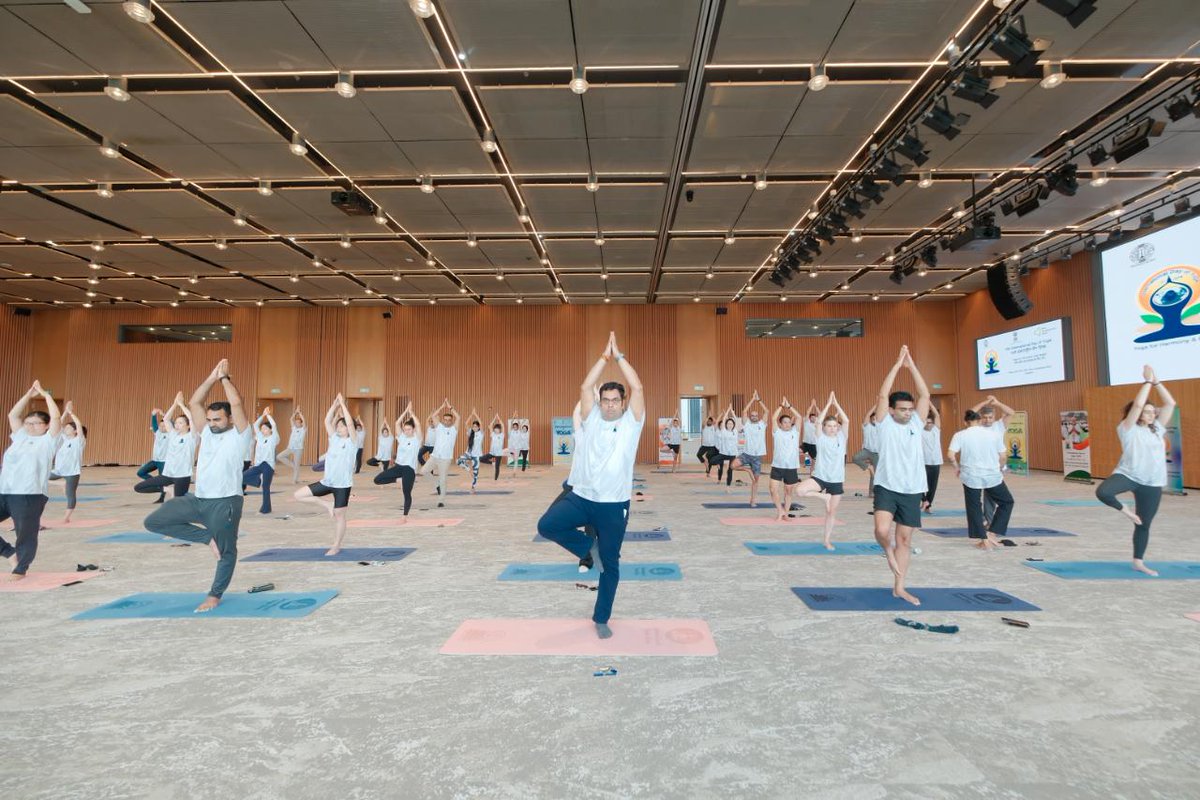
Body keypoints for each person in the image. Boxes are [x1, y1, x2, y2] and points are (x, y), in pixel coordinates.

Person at [537, 331, 645, 639]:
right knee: (547, 525)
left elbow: (637, 386)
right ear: (600, 402)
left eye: (615, 401)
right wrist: (603, 357)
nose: (610, 405)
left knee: (611, 565)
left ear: (623, 403)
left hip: (614, 505)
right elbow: (585, 386)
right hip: (582, 498)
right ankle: (589, 548)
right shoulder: (591, 416)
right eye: (606, 400)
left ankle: (601, 618)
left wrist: (619, 356)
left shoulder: (632, 422)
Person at [144, 359, 251, 612]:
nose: (212, 423)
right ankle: (206, 538)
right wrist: (212, 376)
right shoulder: (205, 432)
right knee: (154, 522)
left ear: (230, 419)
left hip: (225, 502)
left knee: (227, 552)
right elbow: (194, 403)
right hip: (198, 499)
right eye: (210, 419)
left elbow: (236, 403)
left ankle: (215, 595)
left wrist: (224, 379)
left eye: (218, 419)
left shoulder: (241, 435)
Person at [1095, 365, 1176, 576]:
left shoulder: (1157, 429)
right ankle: (1126, 511)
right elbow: (1139, 404)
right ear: (1138, 415)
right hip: (1129, 475)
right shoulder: (1127, 428)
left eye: (1153, 412)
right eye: (1147, 412)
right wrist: (1147, 382)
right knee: (1103, 492)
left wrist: (1157, 381)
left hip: (1152, 482)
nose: (1151, 414)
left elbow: (1170, 403)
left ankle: (1138, 562)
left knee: (1144, 524)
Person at [870, 346, 932, 606]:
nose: (907, 412)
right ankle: (887, 551)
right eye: (903, 409)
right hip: (886, 486)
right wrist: (897, 365)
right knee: (883, 531)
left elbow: (925, 394)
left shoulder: (917, 423)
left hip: (912, 488)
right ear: (893, 410)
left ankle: (899, 586)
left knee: (904, 539)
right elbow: (883, 394)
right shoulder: (884, 423)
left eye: (910, 409)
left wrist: (912, 365)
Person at [1, 381, 61, 580]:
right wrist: (28, 394)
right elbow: (12, 415)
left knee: (25, 534)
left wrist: (45, 394)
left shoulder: (48, 440)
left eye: (36, 423)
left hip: (29, 494)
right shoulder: (20, 437)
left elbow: (55, 416)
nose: (30, 426)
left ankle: (21, 569)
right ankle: (9, 554)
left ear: (45, 426)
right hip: (5, 491)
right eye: (28, 423)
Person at [293, 394, 355, 555]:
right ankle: (327, 504)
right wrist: (334, 406)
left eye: (343, 426)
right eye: (339, 426)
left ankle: (336, 545)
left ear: (349, 429)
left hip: (342, 485)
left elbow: (349, 421)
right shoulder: (333, 438)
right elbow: (327, 421)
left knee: (340, 515)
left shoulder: (352, 442)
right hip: (327, 482)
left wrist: (343, 405)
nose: (340, 428)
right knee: (299, 495)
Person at [948, 410, 1013, 550]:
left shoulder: (960, 435)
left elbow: (951, 455)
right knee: (1007, 502)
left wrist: (956, 467)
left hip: (970, 475)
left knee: (974, 507)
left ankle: (983, 539)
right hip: (992, 475)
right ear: (979, 421)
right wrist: (1001, 468)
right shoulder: (994, 434)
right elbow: (1003, 456)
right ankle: (993, 532)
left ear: (966, 422)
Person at [794, 392, 849, 550]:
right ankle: (823, 497)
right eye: (829, 426)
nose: (832, 428)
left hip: (837, 480)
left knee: (831, 512)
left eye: (834, 426)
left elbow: (846, 420)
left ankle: (826, 540)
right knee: (800, 490)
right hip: (820, 477)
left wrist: (836, 403)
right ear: (824, 427)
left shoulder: (842, 438)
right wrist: (827, 405)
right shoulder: (820, 438)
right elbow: (818, 422)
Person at [135, 393, 197, 502]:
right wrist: (174, 404)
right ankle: (167, 489)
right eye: (176, 423)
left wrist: (181, 405)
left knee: (179, 504)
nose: (177, 425)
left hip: (182, 476)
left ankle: (193, 501)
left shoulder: (192, 437)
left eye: (180, 423)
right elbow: (166, 419)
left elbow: (191, 418)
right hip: (168, 474)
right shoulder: (173, 434)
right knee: (139, 487)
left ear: (188, 426)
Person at [971, 395, 1015, 524]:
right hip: (977, 465)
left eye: (990, 417)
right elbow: (971, 412)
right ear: (980, 417)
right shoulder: (976, 426)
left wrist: (997, 403)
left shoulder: (999, 426)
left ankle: (989, 520)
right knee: (975, 494)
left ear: (994, 417)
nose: (987, 420)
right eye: (984, 417)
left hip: (994, 466)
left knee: (990, 495)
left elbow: (1011, 412)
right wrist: (985, 402)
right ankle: (980, 519)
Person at [375, 402, 420, 523]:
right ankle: (397, 479)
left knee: (406, 493)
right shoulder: (402, 437)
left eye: (409, 429)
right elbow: (396, 423)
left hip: (409, 469)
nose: (406, 431)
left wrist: (412, 414)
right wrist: (405, 411)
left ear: (413, 429)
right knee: (377, 480)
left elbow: (419, 424)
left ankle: (404, 517)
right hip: (398, 467)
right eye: (405, 429)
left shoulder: (417, 439)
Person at [50, 401, 85, 523]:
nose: (66, 429)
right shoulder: (63, 439)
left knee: (70, 495)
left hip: (72, 472)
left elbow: (78, 424)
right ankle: (60, 484)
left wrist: (71, 413)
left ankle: (66, 517)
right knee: (40, 476)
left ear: (75, 431)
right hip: (59, 470)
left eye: (69, 428)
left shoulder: (79, 441)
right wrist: (65, 412)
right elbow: (58, 424)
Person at [767, 397, 802, 522]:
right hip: (777, 466)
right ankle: (779, 510)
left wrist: (790, 406)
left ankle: (785, 514)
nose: (787, 424)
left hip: (791, 467)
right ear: (780, 424)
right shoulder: (777, 432)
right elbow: (773, 418)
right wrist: (781, 406)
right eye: (785, 422)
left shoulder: (795, 432)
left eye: (788, 422)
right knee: (772, 489)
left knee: (788, 492)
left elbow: (799, 417)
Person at [732, 392, 769, 506]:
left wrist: (759, 400)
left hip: (757, 457)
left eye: (755, 415)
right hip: (746, 454)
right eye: (752, 415)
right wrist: (752, 399)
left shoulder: (762, 425)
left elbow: (767, 411)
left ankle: (753, 500)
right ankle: (748, 470)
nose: (754, 417)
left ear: (758, 417)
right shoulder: (746, 424)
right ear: (750, 417)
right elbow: (744, 411)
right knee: (733, 466)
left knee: (755, 481)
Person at [421, 399, 460, 507]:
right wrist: (443, 406)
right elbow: (434, 416)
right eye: (445, 419)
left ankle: (441, 500)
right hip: (434, 456)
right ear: (442, 420)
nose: (447, 421)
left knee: (443, 479)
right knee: (423, 471)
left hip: (445, 459)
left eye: (449, 420)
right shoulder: (439, 427)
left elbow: (459, 417)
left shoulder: (454, 430)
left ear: (451, 421)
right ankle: (436, 484)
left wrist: (450, 408)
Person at [241, 407, 279, 515]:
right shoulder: (260, 437)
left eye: (265, 428)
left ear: (270, 430)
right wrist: (262, 415)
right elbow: (255, 425)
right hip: (258, 464)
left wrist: (268, 415)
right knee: (242, 476)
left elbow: (275, 425)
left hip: (268, 465)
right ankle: (257, 481)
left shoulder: (273, 438)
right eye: (262, 429)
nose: (263, 430)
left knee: (265, 487)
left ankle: (266, 509)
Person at [137, 405, 172, 503]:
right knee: (140, 473)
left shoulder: (171, 434)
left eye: (164, 425)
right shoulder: (157, 432)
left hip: (164, 462)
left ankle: (162, 498)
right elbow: (154, 424)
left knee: (163, 480)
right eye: (160, 426)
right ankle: (156, 484)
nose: (161, 427)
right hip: (155, 460)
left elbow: (170, 422)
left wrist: (164, 415)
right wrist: (153, 415)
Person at [851, 410, 879, 497]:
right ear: (870, 419)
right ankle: (868, 467)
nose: (874, 420)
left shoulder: (881, 427)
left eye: (876, 418)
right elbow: (867, 415)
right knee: (855, 458)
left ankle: (871, 493)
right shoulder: (867, 426)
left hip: (877, 454)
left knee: (874, 474)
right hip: (867, 451)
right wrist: (876, 405)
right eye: (873, 418)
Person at [275, 409, 306, 484]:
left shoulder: (303, 429)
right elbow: (290, 419)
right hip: (290, 448)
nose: (296, 424)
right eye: (296, 422)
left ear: (301, 423)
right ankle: (293, 465)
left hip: (298, 449)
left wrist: (300, 413)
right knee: (279, 456)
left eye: (298, 422)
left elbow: (304, 421)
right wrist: (295, 413)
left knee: (297, 465)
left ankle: (295, 480)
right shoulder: (294, 428)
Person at [921, 405, 943, 511]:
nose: (928, 425)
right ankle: (924, 500)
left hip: (936, 462)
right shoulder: (920, 431)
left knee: (932, 486)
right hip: (923, 462)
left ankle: (928, 505)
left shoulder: (935, 430)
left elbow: (937, 415)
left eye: (930, 422)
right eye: (927, 422)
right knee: (920, 484)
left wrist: (929, 403)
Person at [714, 407, 740, 488]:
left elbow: (736, 421)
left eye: (731, 424)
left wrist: (732, 412)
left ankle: (728, 486)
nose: (730, 425)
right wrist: (727, 412)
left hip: (732, 453)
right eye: (728, 424)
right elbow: (725, 419)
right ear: (726, 424)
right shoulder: (723, 431)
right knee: (713, 461)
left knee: (730, 470)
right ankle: (718, 469)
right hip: (724, 453)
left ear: (733, 425)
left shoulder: (735, 431)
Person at [460, 408, 483, 493]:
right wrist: (471, 415)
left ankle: (473, 487)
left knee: (476, 473)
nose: (474, 428)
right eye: (473, 426)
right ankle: (469, 470)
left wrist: (476, 414)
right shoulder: (470, 432)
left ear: (478, 427)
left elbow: (481, 423)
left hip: (476, 455)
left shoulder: (481, 433)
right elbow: (465, 423)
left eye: (476, 426)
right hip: (469, 453)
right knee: (459, 461)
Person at [481, 414, 506, 482]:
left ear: (500, 430)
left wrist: (499, 419)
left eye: (497, 429)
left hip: (498, 453)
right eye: (495, 429)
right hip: (492, 452)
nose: (496, 430)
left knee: (497, 467)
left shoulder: (502, 435)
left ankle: (495, 479)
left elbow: (503, 425)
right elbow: (490, 425)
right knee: (480, 459)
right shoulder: (493, 434)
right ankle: (492, 463)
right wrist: (494, 418)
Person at [801, 399, 819, 473]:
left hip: (814, 444)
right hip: (806, 442)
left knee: (814, 461)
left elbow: (820, 413)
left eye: (815, 417)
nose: (814, 418)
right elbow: (808, 412)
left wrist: (816, 406)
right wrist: (812, 405)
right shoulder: (806, 422)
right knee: (799, 452)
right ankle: (807, 461)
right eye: (812, 417)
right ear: (809, 418)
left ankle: (812, 474)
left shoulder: (817, 422)